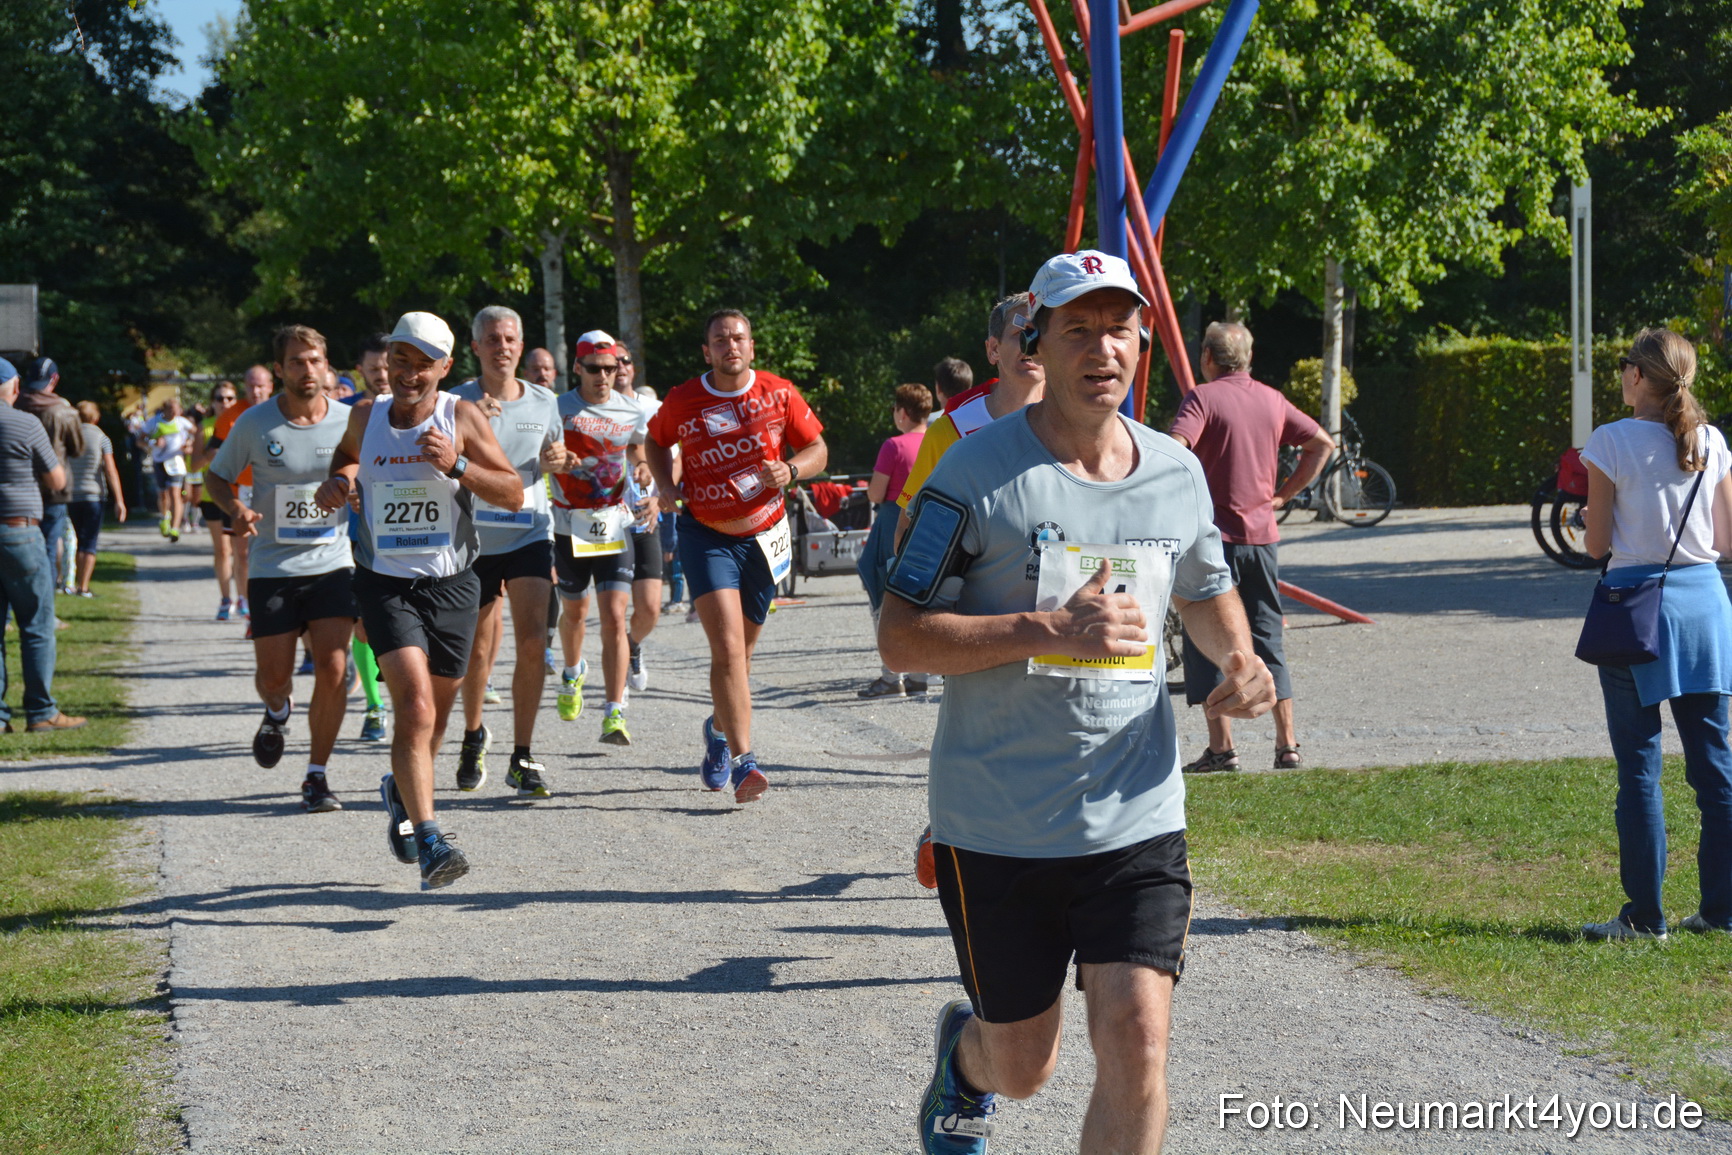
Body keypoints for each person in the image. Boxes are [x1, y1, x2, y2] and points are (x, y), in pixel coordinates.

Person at [878, 250, 1275, 1155]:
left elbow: (1204, 589)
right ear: (1037, 344)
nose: (1103, 349)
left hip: (1137, 812)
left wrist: (1242, 659)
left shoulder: (1174, 470)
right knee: (1025, 1064)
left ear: (1143, 344)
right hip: (998, 822)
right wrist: (1049, 627)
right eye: (1079, 330)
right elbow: (900, 636)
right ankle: (966, 1062)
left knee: (1139, 1041)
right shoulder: (970, 474)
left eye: (1119, 330)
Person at [313, 311, 521, 889]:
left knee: (434, 721)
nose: (407, 373)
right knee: (415, 707)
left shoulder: (462, 416)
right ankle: (430, 840)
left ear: (445, 368)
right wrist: (341, 482)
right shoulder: (366, 415)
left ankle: (400, 792)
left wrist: (457, 464)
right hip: (384, 583)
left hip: (453, 584)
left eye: (422, 364)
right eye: (399, 359)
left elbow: (511, 492)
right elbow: (345, 458)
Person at [1580, 327, 1732, 940]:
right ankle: (1722, 912)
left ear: (1638, 375)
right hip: (1706, 609)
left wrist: (1597, 521)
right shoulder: (1712, 440)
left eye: (1625, 365)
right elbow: (1725, 539)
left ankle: (1645, 918)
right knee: (1715, 768)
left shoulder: (1610, 440)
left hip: (1636, 610)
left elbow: (1597, 545)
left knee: (1640, 769)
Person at [644, 309, 828, 801]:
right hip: (707, 535)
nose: (731, 346)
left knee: (741, 657)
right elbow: (655, 442)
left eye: (738, 338)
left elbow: (818, 449)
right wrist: (665, 486)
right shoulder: (683, 399)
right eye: (721, 340)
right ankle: (746, 763)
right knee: (726, 651)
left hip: (765, 537)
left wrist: (791, 469)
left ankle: (718, 730)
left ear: (751, 346)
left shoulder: (778, 392)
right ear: (707, 351)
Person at [897, 300, 1047, 889]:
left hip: (1056, 609)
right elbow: (912, 523)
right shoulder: (952, 429)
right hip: (977, 616)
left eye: (1042, 332)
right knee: (979, 726)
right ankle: (949, 829)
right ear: (992, 350)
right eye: (1020, 333)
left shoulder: (1082, 417)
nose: (1032, 345)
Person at [1167, 321, 1334, 773]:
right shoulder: (1272, 399)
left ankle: (1222, 749)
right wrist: (1284, 495)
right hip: (1261, 537)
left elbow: (1176, 448)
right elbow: (1321, 444)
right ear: (1249, 359)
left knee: (1206, 635)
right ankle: (1287, 744)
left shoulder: (1202, 398)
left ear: (1207, 357)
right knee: (1267, 634)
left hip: (1211, 537)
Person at [207, 326, 359, 813]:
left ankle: (317, 775)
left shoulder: (349, 420)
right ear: (279, 370)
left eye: (314, 360)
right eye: (296, 361)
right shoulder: (254, 423)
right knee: (274, 677)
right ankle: (277, 711)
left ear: (327, 365)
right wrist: (235, 509)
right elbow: (216, 476)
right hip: (272, 565)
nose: (307, 370)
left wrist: (351, 484)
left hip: (333, 562)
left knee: (334, 668)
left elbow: (368, 468)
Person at [448, 306, 569, 796]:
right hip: (474, 539)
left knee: (534, 641)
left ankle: (522, 754)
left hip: (528, 532)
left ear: (521, 345)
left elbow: (554, 458)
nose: (502, 346)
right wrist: (468, 428)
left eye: (510, 338)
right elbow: (435, 462)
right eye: (493, 339)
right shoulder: (456, 400)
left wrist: (558, 459)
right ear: (476, 347)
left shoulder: (544, 401)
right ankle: (473, 733)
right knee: (477, 648)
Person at [549, 332, 653, 744]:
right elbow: (539, 454)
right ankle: (573, 671)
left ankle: (614, 711)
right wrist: (555, 460)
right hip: (568, 525)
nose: (604, 376)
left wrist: (643, 466)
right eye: (594, 368)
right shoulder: (557, 408)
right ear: (578, 367)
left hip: (613, 523)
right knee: (575, 613)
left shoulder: (631, 409)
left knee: (613, 616)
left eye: (611, 368)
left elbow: (638, 449)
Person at [0, 358, 85, 733]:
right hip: (20, 531)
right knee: (35, 625)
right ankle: (41, 711)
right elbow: (56, 480)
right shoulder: (25, 423)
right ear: (15, 387)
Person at [857, 384, 934, 698]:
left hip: (892, 524)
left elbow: (876, 494)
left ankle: (891, 677)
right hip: (930, 527)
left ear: (902, 413)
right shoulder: (939, 440)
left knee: (883, 598)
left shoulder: (894, 446)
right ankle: (920, 675)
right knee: (921, 600)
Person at [14, 357, 84, 587]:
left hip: (19, 487)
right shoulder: (64, 411)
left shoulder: (14, 404)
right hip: (54, 488)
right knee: (48, 547)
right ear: (54, 379)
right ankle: (45, 604)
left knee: (17, 550)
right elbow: (77, 449)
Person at [193, 383, 245, 617]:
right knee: (223, 550)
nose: (225, 403)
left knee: (241, 552)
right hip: (212, 496)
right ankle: (226, 599)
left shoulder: (243, 422)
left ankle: (243, 598)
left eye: (230, 398)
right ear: (212, 401)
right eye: (220, 398)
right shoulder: (204, 427)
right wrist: (209, 456)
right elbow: (193, 465)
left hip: (238, 494)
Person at [65, 401, 127, 597]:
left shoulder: (69, 436)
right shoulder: (102, 438)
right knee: (89, 542)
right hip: (93, 495)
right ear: (96, 417)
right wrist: (119, 500)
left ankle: (73, 581)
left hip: (71, 495)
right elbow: (110, 470)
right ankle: (83, 587)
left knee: (76, 540)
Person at [149, 396, 194, 543]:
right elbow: (140, 440)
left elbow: (196, 432)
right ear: (165, 410)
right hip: (159, 462)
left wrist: (189, 444)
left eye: (177, 410)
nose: (174, 414)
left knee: (175, 494)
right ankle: (165, 517)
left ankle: (175, 528)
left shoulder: (182, 422)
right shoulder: (154, 422)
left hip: (176, 462)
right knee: (163, 495)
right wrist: (153, 442)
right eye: (171, 411)